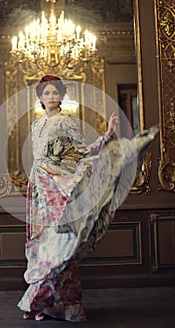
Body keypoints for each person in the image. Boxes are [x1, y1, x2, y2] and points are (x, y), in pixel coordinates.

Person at [17, 74, 159, 322]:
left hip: (57, 188)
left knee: (61, 243)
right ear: (40, 97)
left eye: (55, 93)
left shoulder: (66, 122)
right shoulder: (35, 125)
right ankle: (40, 303)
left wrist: (108, 134)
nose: (51, 97)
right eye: (46, 93)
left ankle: (66, 306)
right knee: (41, 245)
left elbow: (83, 151)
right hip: (39, 188)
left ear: (61, 96)